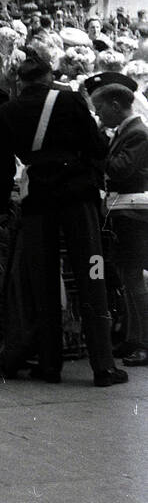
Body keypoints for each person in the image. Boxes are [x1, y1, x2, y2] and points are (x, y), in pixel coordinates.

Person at [0, 55, 126, 386]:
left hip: (38, 200)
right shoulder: (68, 100)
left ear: (19, 80)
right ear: (49, 76)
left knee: (44, 281)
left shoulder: (7, 112)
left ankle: (50, 365)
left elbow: (2, 167)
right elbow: (96, 147)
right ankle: (103, 366)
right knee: (92, 276)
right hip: (77, 198)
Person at [88, 75, 148, 367]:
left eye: (100, 109)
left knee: (134, 278)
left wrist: (97, 147)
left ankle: (144, 342)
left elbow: (120, 170)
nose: (98, 114)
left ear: (115, 105)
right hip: (125, 211)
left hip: (133, 211)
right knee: (128, 277)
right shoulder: (129, 131)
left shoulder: (137, 132)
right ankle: (135, 338)